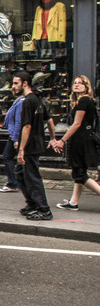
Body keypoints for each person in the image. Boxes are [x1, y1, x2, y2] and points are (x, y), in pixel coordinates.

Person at [52, 75, 100, 210]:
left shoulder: (84, 101)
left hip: (81, 141)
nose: (77, 85)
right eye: (75, 83)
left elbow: (77, 124)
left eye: (81, 83)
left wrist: (62, 140)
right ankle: (73, 202)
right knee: (79, 171)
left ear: (86, 87)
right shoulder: (86, 100)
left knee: (79, 174)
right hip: (84, 140)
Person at [15, 71, 58, 221]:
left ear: (25, 84)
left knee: (32, 177)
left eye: (16, 83)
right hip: (36, 142)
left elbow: (26, 127)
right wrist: (52, 137)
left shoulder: (28, 101)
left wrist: (21, 149)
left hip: (30, 145)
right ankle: (32, 204)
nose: (13, 87)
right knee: (19, 174)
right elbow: (50, 121)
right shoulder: (38, 100)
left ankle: (44, 209)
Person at [0, 76, 25, 192]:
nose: (13, 87)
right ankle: (18, 182)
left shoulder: (21, 102)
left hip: (16, 135)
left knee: (7, 157)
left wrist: (15, 138)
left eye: (16, 84)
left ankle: (14, 183)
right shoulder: (19, 100)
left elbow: (19, 121)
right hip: (16, 134)